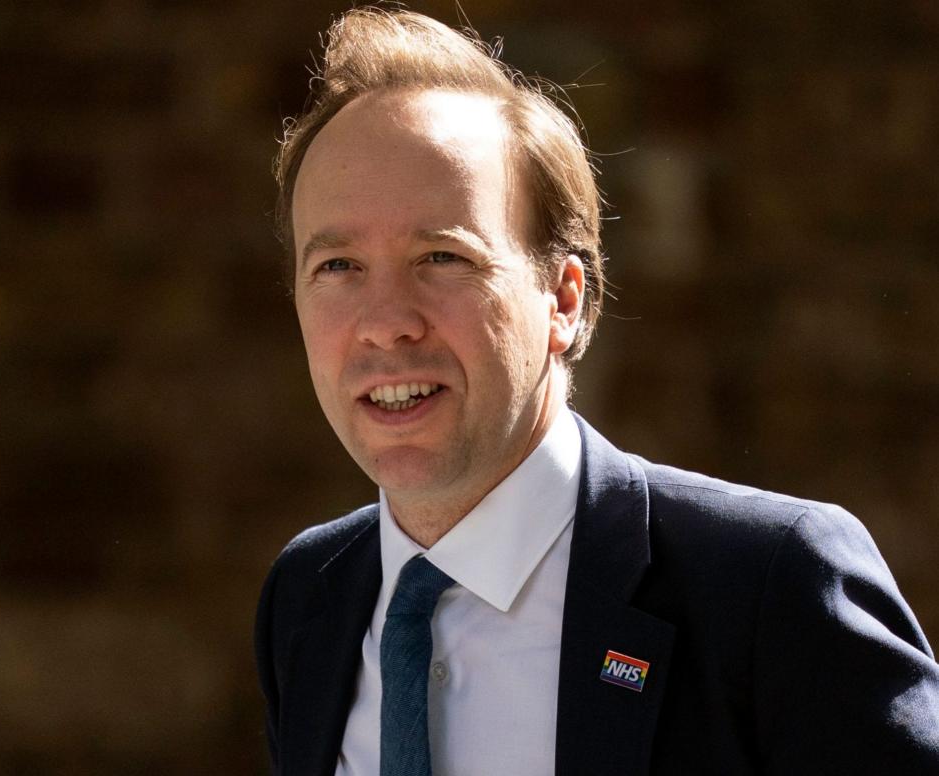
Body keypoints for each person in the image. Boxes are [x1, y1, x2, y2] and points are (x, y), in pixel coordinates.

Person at [254, 8, 939, 776]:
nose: (385, 324)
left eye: (443, 257)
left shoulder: (771, 588)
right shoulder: (308, 597)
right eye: (338, 267)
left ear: (564, 300)